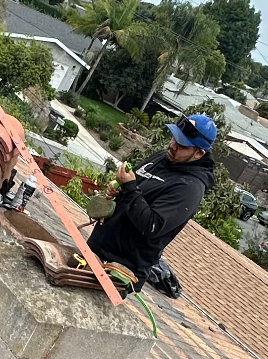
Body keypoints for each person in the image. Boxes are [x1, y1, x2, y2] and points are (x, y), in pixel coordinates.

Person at [84, 113, 219, 280]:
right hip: (95, 252)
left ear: (198, 153)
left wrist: (130, 187)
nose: (173, 145)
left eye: (182, 145)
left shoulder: (190, 189)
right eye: (174, 138)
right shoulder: (162, 157)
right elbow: (134, 189)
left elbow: (152, 225)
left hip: (119, 271)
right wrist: (119, 189)